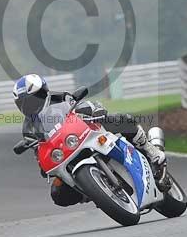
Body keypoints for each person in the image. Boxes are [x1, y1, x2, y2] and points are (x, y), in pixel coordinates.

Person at [12, 74, 170, 207]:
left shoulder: (59, 98)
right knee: (57, 194)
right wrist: (42, 162)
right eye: (24, 104)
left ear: (43, 92)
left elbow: (81, 103)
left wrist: (94, 110)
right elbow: (39, 152)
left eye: (32, 100)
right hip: (65, 153)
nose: (29, 105)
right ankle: (94, 190)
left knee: (121, 120)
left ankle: (151, 151)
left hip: (87, 132)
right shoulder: (28, 128)